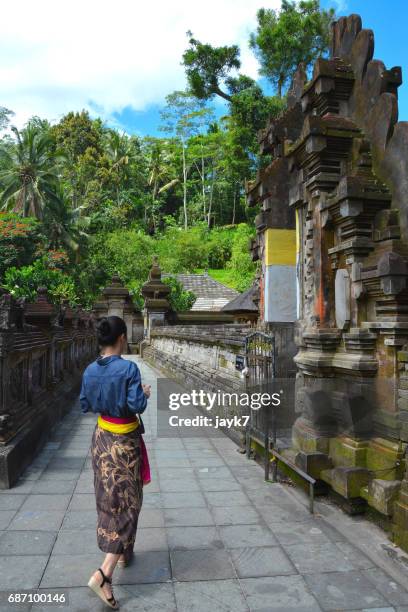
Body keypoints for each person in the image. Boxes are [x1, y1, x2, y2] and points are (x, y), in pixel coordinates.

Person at [80, 315, 151, 610]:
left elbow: (85, 405)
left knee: (108, 498)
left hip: (101, 438)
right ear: (122, 337)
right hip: (123, 444)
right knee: (129, 502)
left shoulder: (89, 370)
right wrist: (143, 394)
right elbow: (137, 406)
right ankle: (104, 573)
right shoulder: (129, 368)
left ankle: (124, 552)